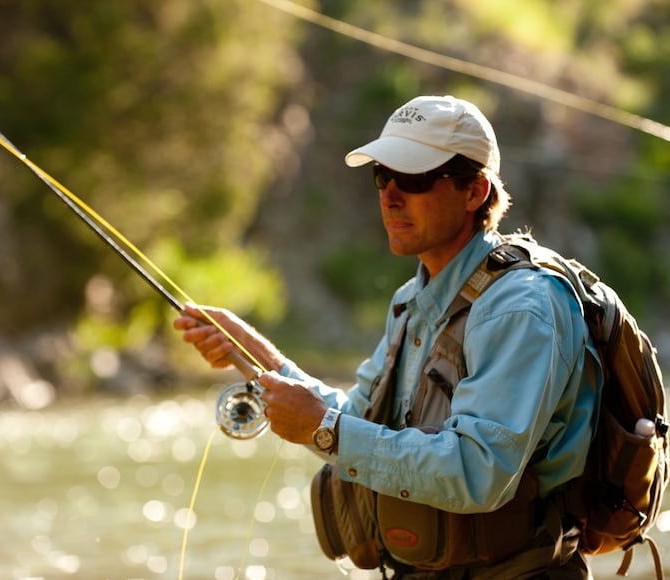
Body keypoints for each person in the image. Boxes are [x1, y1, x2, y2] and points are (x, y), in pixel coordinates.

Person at [174, 95, 600, 578]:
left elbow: (480, 474)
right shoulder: (411, 301)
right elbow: (354, 420)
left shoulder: (520, 308)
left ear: (475, 191)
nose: (390, 195)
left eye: (414, 179)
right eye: (383, 176)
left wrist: (327, 430)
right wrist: (251, 353)